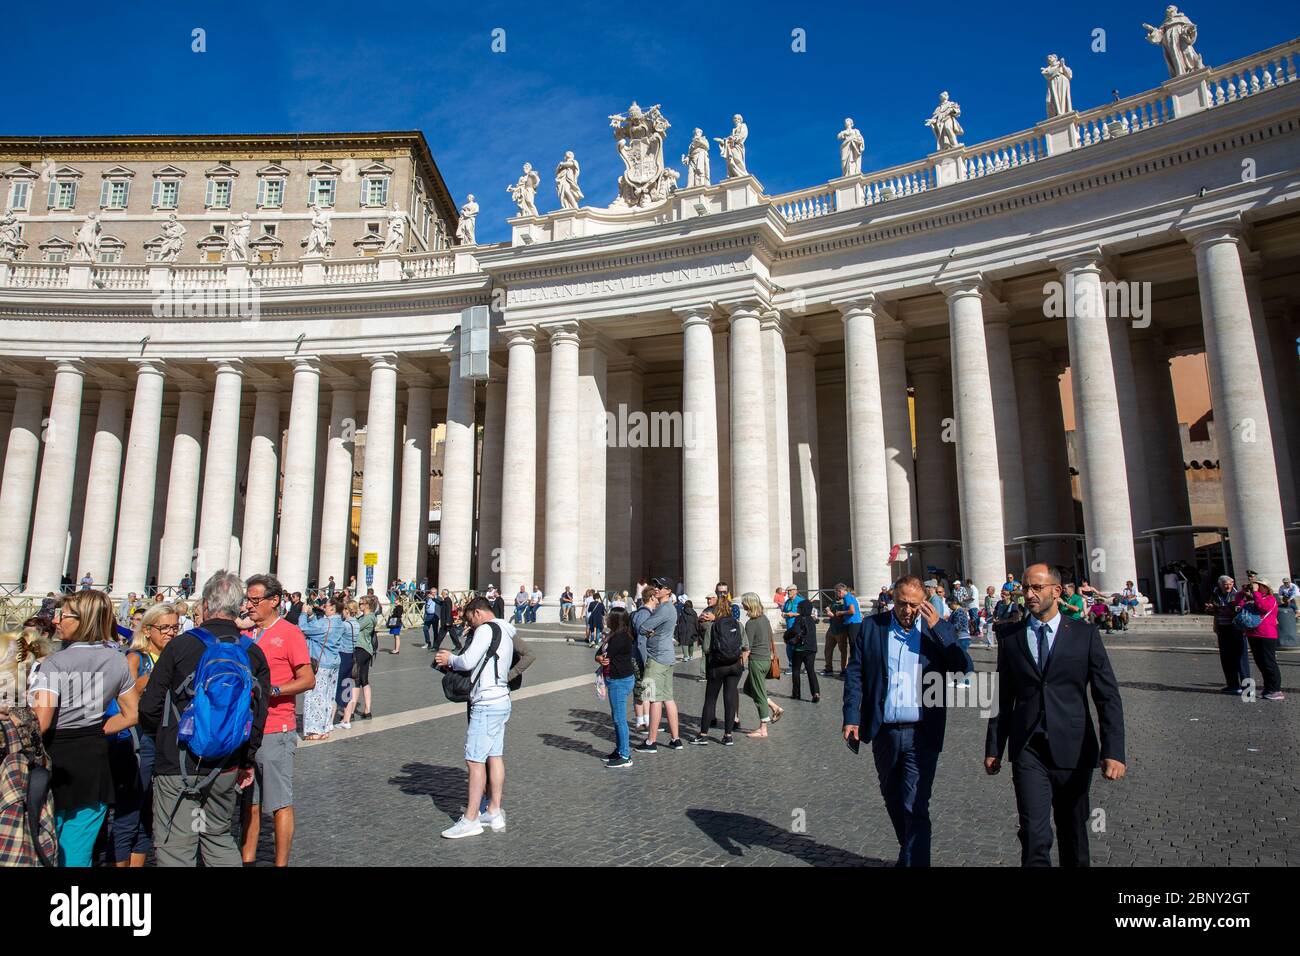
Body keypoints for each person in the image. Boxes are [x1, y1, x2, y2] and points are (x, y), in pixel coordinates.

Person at [984, 563, 1126, 867]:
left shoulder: (1084, 635)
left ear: (1056, 591)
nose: (1029, 594)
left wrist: (1114, 751)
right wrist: (994, 748)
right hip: (1028, 749)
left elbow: (1107, 696)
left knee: (1073, 831)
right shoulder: (1011, 636)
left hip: (1073, 748)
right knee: (1034, 834)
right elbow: (1001, 697)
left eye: (1037, 587)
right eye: (1025, 588)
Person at [138, 571, 272, 867]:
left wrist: (160, 741)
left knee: (176, 845)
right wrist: (246, 759)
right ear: (239, 607)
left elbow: (149, 706)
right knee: (218, 836)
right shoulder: (253, 653)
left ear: (207, 605)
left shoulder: (181, 646)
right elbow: (259, 717)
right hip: (227, 761)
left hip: (177, 758)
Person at [842, 575, 973, 867]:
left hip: (922, 733)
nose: (908, 610)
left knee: (915, 805)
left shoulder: (934, 632)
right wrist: (851, 716)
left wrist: (939, 626)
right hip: (884, 730)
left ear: (924, 602)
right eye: (902, 603)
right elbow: (855, 674)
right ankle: (909, 852)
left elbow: (963, 667)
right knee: (892, 798)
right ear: (892, 598)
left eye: (914, 605)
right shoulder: (871, 628)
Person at [28, 591, 140, 866]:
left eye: (62, 615)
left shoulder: (54, 663)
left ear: (82, 621)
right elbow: (131, 715)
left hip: (55, 759)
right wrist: (96, 729)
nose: (56, 621)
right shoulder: (117, 660)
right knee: (78, 850)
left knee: (40, 845)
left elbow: (41, 721)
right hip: (93, 758)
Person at [237, 573, 313, 867]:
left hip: (275, 727)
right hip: (244, 730)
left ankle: (281, 863)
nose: (250, 605)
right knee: (250, 803)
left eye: (255, 600)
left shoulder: (290, 633)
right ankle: (248, 858)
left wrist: (275, 690)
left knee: (279, 803)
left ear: (274, 601)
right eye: (248, 599)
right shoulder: (244, 634)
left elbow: (308, 679)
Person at [434, 597, 515, 838]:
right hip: (502, 698)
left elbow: (467, 661)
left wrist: (450, 659)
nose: (472, 624)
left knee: (475, 760)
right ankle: (494, 810)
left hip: (486, 702)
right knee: (495, 755)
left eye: (471, 619)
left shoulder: (485, 630)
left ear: (478, 613)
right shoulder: (507, 630)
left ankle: (470, 819)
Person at [108, 601, 179, 867]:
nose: (171, 633)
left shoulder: (174, 656)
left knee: (149, 813)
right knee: (129, 812)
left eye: (175, 627)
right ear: (148, 630)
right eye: (165, 628)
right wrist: (158, 675)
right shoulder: (135, 657)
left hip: (164, 739)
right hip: (138, 740)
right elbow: (126, 694)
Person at [633, 578, 684, 753]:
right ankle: (675, 739)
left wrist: (649, 631)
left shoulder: (663, 608)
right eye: (655, 586)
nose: (656, 589)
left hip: (656, 658)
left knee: (653, 698)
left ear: (668, 590)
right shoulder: (670, 608)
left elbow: (643, 627)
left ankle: (651, 741)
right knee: (668, 698)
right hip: (667, 656)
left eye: (660, 587)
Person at [691, 595, 746, 746]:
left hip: (718, 666)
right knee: (729, 699)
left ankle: (703, 735)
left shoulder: (713, 626)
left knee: (710, 699)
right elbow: (745, 646)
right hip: (735, 666)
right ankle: (728, 736)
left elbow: (707, 648)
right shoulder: (738, 624)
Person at [595, 608, 637, 768]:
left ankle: (625, 755)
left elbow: (606, 655)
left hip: (620, 680)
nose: (606, 618)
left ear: (615, 620)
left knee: (620, 719)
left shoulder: (620, 638)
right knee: (616, 717)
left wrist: (601, 657)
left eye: (609, 616)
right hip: (615, 679)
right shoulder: (613, 635)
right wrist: (599, 657)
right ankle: (619, 750)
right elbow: (599, 654)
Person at [301, 599, 346, 740]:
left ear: (332, 609)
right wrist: (312, 616)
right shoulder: (340, 623)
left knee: (315, 696)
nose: (323, 608)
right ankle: (325, 728)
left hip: (321, 663)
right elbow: (317, 627)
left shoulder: (326, 623)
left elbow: (304, 628)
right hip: (334, 662)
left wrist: (303, 614)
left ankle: (315, 730)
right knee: (328, 696)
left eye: (326, 606)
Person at [739, 592, 783, 737]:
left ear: (749, 604)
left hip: (756, 661)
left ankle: (763, 729)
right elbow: (770, 637)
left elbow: (747, 647)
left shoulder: (751, 623)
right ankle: (774, 706)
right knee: (748, 689)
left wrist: (740, 664)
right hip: (766, 660)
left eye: (744, 602)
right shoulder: (764, 618)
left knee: (758, 693)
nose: (742, 604)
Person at [1236, 579, 1284, 700]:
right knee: (1260, 663)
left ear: (1266, 588)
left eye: (1260, 586)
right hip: (1253, 634)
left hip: (1266, 634)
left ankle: (1275, 689)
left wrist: (1256, 593)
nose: (1257, 588)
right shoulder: (1254, 598)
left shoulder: (1270, 599)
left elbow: (1263, 608)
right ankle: (1268, 688)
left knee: (1269, 662)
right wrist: (1243, 592)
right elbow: (1239, 605)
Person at [1205, 575, 1249, 693]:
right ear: (1220, 585)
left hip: (1236, 628)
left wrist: (1227, 609)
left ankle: (1247, 688)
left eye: (1230, 584)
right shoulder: (1216, 594)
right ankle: (1233, 685)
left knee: (1241, 659)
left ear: (1233, 583)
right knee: (1226, 658)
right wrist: (1210, 608)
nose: (1228, 586)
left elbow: (1242, 608)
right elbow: (1211, 610)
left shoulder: (1238, 594)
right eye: (1225, 584)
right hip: (1222, 628)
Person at [786, 600, 822, 702]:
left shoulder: (799, 619)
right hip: (811, 649)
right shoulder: (812, 619)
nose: (797, 609)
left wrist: (788, 636)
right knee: (811, 670)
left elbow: (795, 630)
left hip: (800, 648)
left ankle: (796, 693)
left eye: (799, 608)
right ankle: (816, 692)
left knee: (796, 670)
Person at [825, 583, 860, 676]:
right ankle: (828, 668)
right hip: (833, 627)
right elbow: (831, 607)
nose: (836, 594)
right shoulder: (838, 599)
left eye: (837, 592)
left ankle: (846, 669)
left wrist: (838, 613)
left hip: (842, 628)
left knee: (846, 649)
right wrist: (828, 609)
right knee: (828, 649)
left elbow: (851, 611)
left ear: (840, 591)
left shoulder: (847, 598)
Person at [352, 597, 378, 719]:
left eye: (361, 603)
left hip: (361, 649)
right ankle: (367, 711)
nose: (359, 605)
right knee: (364, 679)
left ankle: (350, 712)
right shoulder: (365, 617)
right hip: (366, 649)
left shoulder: (368, 618)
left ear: (367, 605)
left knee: (355, 679)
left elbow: (355, 628)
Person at [676, 598, 700, 662]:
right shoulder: (694, 612)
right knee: (691, 643)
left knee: (684, 643)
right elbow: (696, 621)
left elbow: (679, 621)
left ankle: (686, 656)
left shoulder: (682, 612)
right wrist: (697, 629)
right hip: (692, 629)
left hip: (683, 629)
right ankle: (691, 656)